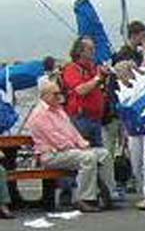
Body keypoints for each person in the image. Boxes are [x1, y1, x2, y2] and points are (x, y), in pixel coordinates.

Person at [26, 80, 116, 212]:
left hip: (67, 151)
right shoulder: (39, 115)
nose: (59, 96)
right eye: (55, 94)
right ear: (44, 96)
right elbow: (57, 140)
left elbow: (73, 132)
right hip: (51, 155)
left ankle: (108, 195)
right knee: (87, 158)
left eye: (59, 93)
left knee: (104, 154)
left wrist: (83, 144)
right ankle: (85, 198)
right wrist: (79, 148)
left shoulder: (59, 110)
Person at [114, 20, 145, 210]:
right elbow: (128, 79)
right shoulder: (123, 55)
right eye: (142, 36)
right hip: (133, 113)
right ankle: (144, 187)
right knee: (136, 159)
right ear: (135, 36)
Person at [62, 36, 110, 147]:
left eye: (94, 48)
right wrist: (98, 78)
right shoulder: (71, 69)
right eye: (90, 49)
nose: (93, 52)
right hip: (82, 119)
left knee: (99, 155)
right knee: (84, 152)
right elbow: (80, 90)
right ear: (80, 52)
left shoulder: (93, 69)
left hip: (96, 119)